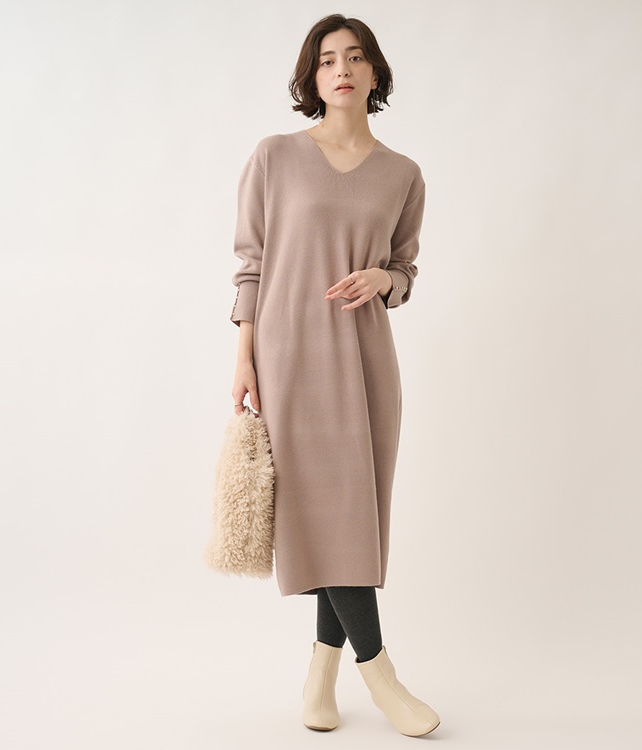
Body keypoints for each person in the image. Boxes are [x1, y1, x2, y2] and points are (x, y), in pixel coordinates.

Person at [228, 13, 440, 737]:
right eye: (325, 60)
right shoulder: (276, 156)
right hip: (290, 356)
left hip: (366, 360)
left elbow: (406, 270)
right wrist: (244, 356)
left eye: (353, 58)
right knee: (322, 513)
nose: (340, 70)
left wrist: (383, 278)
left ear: (374, 71)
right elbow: (252, 263)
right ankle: (381, 675)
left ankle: (321, 674)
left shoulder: (403, 175)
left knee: (353, 516)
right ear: (311, 77)